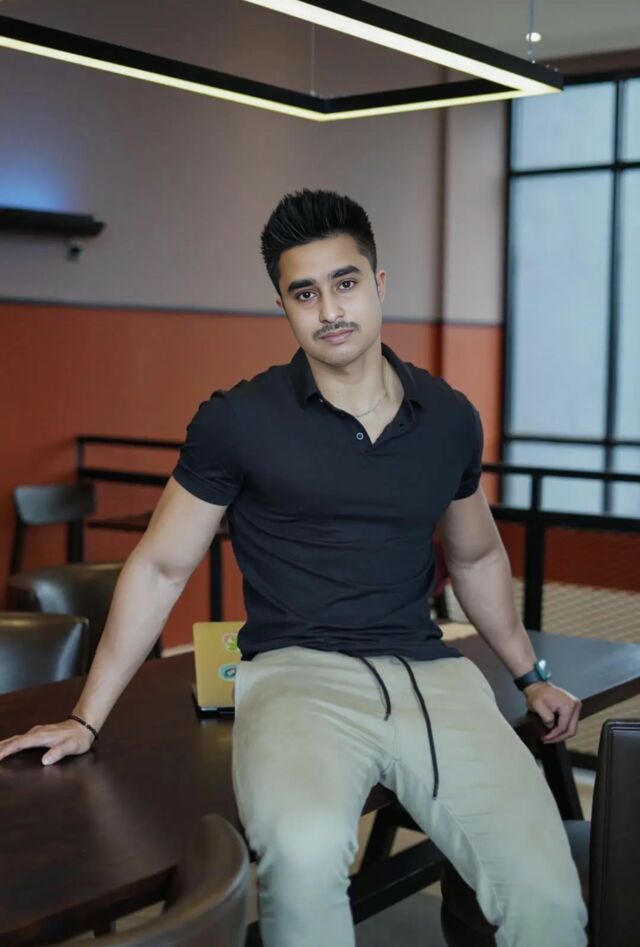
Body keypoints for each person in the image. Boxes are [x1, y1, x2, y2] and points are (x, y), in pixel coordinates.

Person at [0, 189, 587, 947]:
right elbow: (160, 567)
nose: (329, 309)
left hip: (432, 674)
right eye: (304, 293)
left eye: (345, 283)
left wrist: (531, 674)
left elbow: (475, 555)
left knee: (547, 894)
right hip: (296, 676)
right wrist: (86, 717)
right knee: (303, 862)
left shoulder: (447, 417)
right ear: (282, 304)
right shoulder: (239, 420)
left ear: (379, 283)